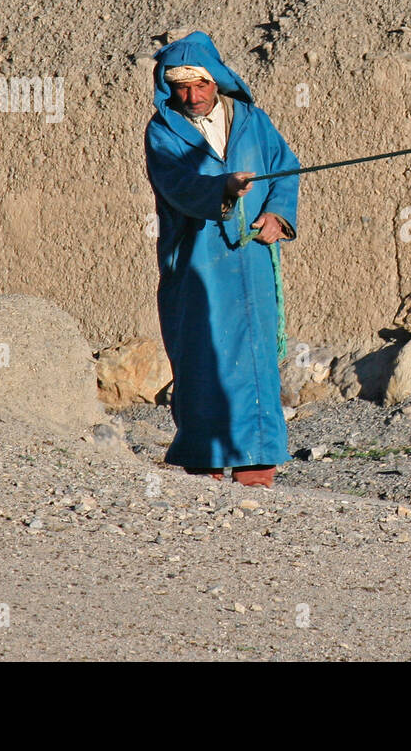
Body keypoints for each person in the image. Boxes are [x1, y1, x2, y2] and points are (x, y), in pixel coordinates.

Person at [143, 31, 299, 488]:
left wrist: (276, 214)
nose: (191, 96)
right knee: (203, 354)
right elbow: (179, 185)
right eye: (182, 87)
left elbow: (285, 168)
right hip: (198, 262)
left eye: (200, 86)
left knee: (255, 355)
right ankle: (205, 458)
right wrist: (222, 188)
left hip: (250, 259)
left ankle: (257, 461)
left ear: (217, 82)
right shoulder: (163, 132)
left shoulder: (253, 120)